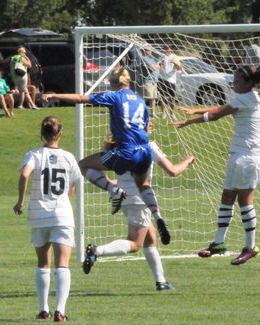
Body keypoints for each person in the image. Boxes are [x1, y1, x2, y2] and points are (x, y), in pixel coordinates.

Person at [42, 67, 171, 246]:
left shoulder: (114, 96)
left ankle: (113, 189)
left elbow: (81, 98)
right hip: (144, 151)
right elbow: (144, 126)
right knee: (143, 184)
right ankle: (158, 217)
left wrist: (55, 95)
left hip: (126, 152)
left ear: (113, 83)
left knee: (82, 165)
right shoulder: (140, 100)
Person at [170, 64, 260, 265]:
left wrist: (189, 121)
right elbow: (223, 107)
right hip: (241, 154)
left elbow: (217, 114)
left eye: (237, 81)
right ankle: (218, 242)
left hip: (249, 156)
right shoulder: (250, 97)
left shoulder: (247, 98)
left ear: (248, 83)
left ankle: (251, 247)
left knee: (245, 200)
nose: (233, 84)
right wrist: (195, 109)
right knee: (227, 195)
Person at [83, 121, 194, 290]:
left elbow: (85, 165)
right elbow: (173, 171)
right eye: (147, 122)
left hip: (125, 198)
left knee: (150, 238)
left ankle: (161, 281)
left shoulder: (120, 148)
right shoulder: (149, 146)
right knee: (135, 243)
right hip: (141, 199)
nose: (151, 124)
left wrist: (110, 186)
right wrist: (187, 160)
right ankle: (97, 251)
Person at [13, 116, 81, 322]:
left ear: (42, 133)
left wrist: (20, 201)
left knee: (43, 262)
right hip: (61, 214)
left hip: (39, 214)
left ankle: (44, 310)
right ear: (60, 134)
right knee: (62, 264)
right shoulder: (68, 157)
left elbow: (25, 175)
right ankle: (60, 311)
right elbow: (71, 188)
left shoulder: (34, 154)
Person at [156, 46, 182, 115]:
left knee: (172, 98)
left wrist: (176, 64)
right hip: (162, 78)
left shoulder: (175, 57)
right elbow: (157, 65)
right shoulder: (161, 56)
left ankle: (171, 113)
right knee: (162, 97)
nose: (167, 50)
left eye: (169, 48)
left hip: (171, 80)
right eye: (166, 48)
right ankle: (164, 113)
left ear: (171, 50)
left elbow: (179, 68)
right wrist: (161, 63)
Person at [138, 48, 160, 118]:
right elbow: (152, 68)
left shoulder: (152, 59)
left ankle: (153, 113)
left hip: (154, 81)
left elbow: (156, 67)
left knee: (153, 98)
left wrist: (159, 65)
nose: (150, 51)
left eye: (150, 50)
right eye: (147, 50)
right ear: (144, 51)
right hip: (148, 81)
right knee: (146, 98)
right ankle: (139, 112)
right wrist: (161, 64)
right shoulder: (144, 59)